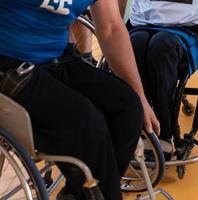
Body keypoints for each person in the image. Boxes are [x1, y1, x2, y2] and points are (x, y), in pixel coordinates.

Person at [0, 0, 160, 200]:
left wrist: (140, 96)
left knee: (127, 109)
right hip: (9, 63)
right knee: (87, 123)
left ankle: (79, 194)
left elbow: (111, 28)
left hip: (57, 59)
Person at [121, 0, 198, 160]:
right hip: (141, 24)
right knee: (134, 46)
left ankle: (164, 134)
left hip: (188, 29)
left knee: (161, 47)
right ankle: (137, 130)